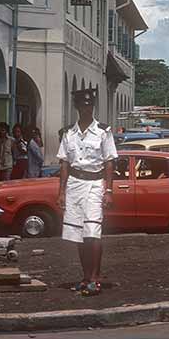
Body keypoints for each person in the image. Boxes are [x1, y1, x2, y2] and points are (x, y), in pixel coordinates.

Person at [57, 87, 116, 297]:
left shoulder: (103, 131)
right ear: (77, 107)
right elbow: (64, 164)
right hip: (75, 184)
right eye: (83, 105)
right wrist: (61, 192)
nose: (87, 109)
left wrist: (109, 190)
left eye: (90, 105)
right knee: (79, 235)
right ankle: (85, 277)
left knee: (93, 232)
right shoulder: (68, 133)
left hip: (95, 184)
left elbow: (109, 162)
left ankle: (94, 278)